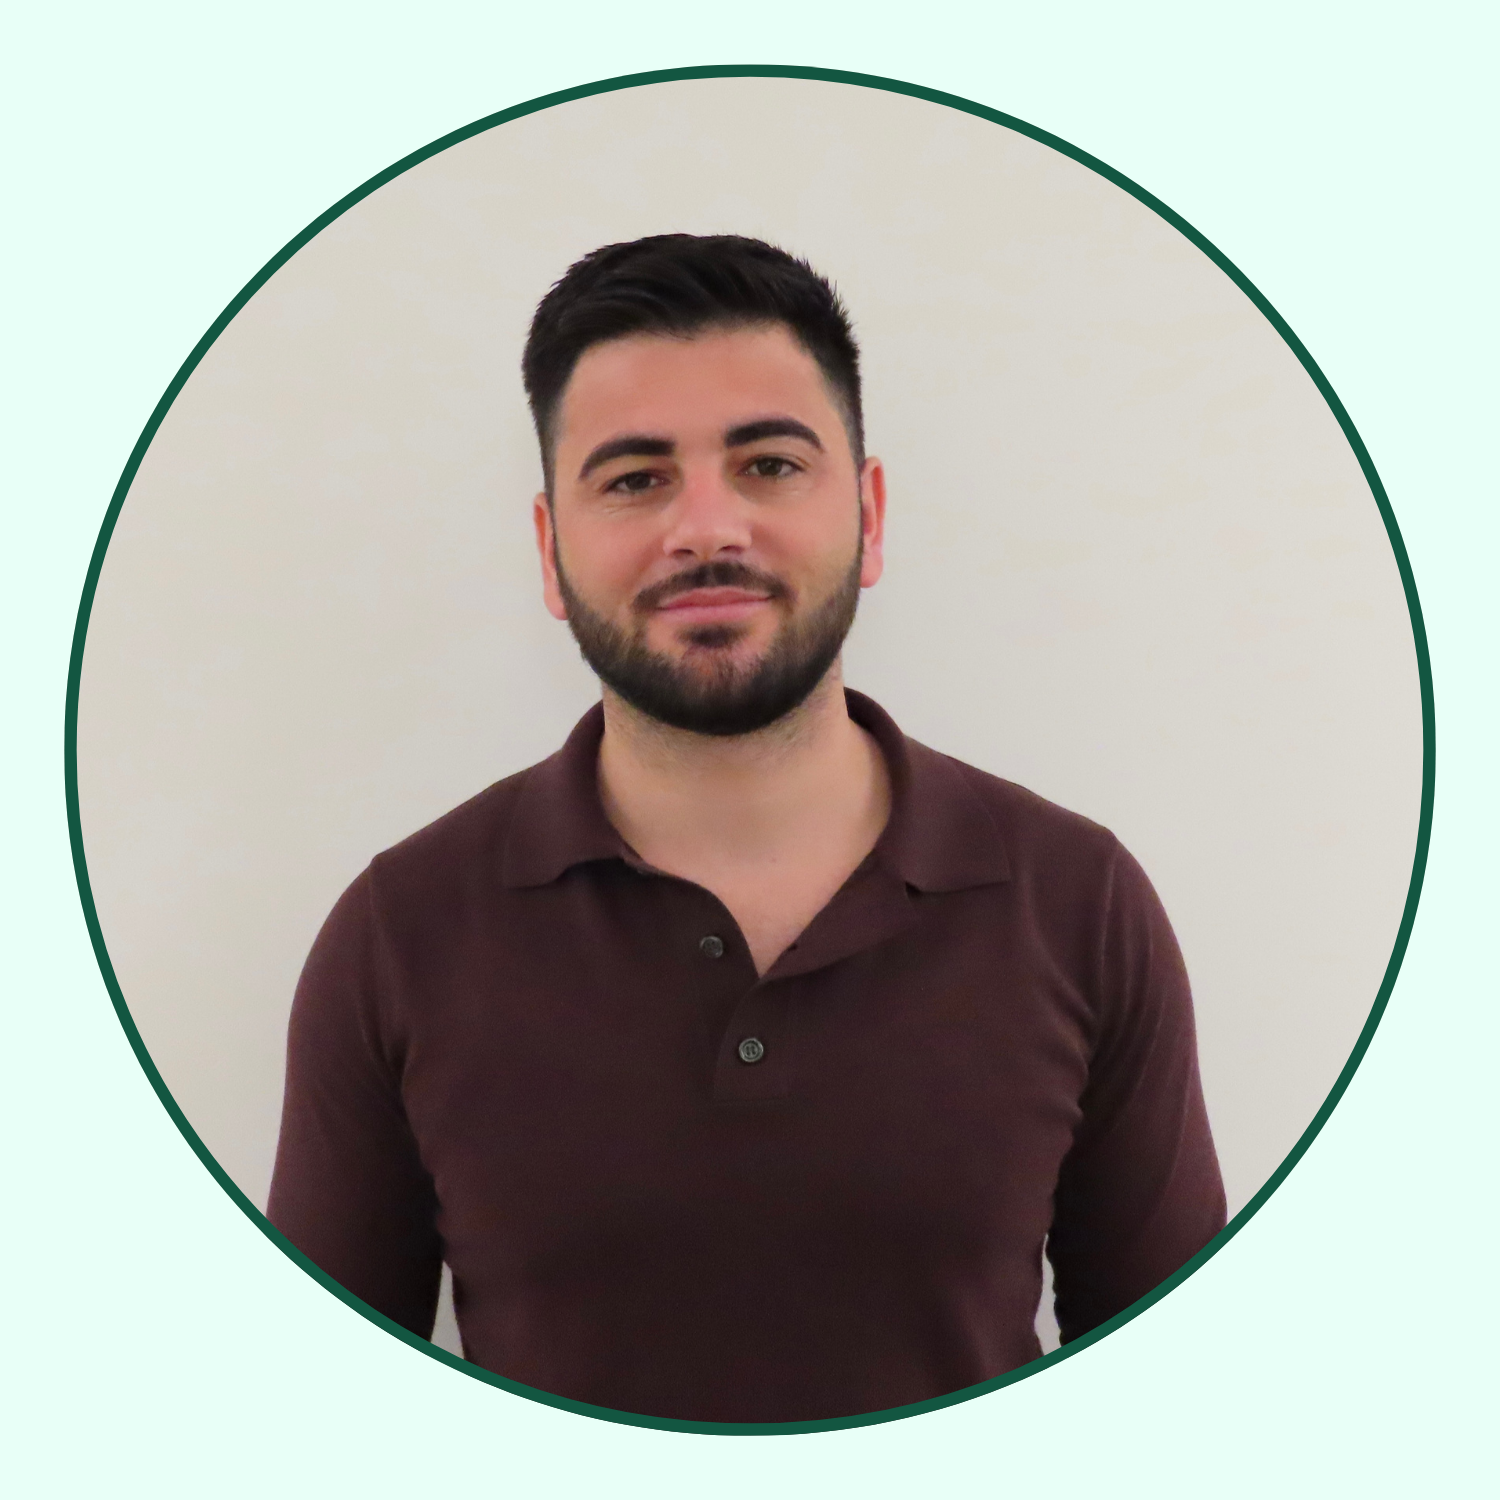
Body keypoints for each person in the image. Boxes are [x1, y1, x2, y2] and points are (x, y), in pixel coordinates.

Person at [268, 233, 1226, 1424]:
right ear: (550, 550)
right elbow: (322, 1429)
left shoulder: (1077, 903)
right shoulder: (399, 935)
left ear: (869, 516)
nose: (706, 529)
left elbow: (1176, 1415)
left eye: (769, 464)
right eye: (634, 478)